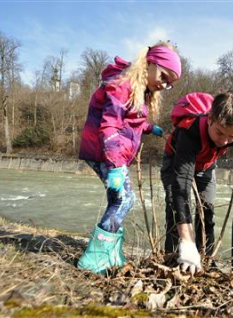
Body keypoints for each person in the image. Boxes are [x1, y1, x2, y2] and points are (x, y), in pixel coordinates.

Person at [77, 42, 181, 274]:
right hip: (105, 151)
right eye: (164, 76)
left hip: (111, 151)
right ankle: (95, 258)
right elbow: (110, 124)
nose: (164, 85)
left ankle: (111, 253)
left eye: (169, 84)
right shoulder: (122, 84)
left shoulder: (138, 88)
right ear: (150, 63)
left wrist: (147, 128)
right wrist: (114, 165)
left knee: (121, 199)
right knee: (124, 199)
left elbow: (128, 118)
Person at [160, 92, 233, 275]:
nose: (223, 141)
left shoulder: (232, 131)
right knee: (176, 211)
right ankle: (173, 260)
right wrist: (187, 241)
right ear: (210, 118)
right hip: (176, 162)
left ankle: (206, 261)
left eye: (230, 136)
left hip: (205, 166)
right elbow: (181, 186)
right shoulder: (190, 132)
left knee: (207, 211)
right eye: (220, 133)